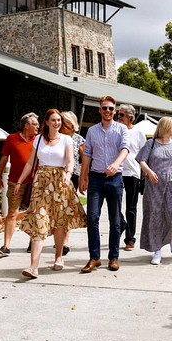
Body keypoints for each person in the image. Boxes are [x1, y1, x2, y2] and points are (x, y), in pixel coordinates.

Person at [16, 109, 87, 279]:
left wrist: (68, 176)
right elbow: (30, 163)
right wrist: (20, 181)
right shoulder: (39, 140)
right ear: (46, 122)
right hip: (41, 184)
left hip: (60, 182)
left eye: (59, 120)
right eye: (54, 120)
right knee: (39, 221)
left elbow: (70, 162)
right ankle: (34, 266)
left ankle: (59, 256)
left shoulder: (66, 140)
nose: (57, 123)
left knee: (59, 221)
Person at [79, 96, 130, 273]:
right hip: (95, 179)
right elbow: (87, 155)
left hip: (115, 179)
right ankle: (94, 257)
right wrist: (82, 177)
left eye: (110, 108)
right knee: (92, 217)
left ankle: (113, 257)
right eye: (104, 108)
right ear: (99, 110)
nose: (107, 111)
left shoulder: (122, 129)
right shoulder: (92, 131)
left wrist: (116, 164)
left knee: (115, 220)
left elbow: (125, 149)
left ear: (115, 111)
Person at [136, 117, 172, 265]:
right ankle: (157, 250)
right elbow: (141, 160)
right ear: (165, 126)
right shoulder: (151, 144)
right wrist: (149, 171)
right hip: (154, 185)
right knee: (155, 217)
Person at [0, 112, 39, 256]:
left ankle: (33, 242)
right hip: (14, 182)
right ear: (26, 126)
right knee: (12, 213)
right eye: (35, 124)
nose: (38, 127)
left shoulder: (38, 140)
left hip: (33, 183)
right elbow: (4, 158)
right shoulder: (11, 139)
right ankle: (6, 246)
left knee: (34, 213)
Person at [117, 104, 146, 251]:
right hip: (117, 172)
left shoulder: (138, 132)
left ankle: (130, 238)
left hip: (132, 173)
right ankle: (121, 223)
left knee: (131, 208)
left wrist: (144, 174)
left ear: (130, 117)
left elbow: (144, 153)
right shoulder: (115, 130)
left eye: (121, 115)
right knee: (114, 205)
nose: (118, 117)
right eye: (118, 114)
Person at [59, 111, 85, 255]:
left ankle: (65, 242)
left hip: (71, 176)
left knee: (66, 208)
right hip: (55, 174)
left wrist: (83, 178)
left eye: (64, 121)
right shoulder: (54, 137)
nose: (61, 124)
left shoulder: (79, 140)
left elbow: (85, 160)